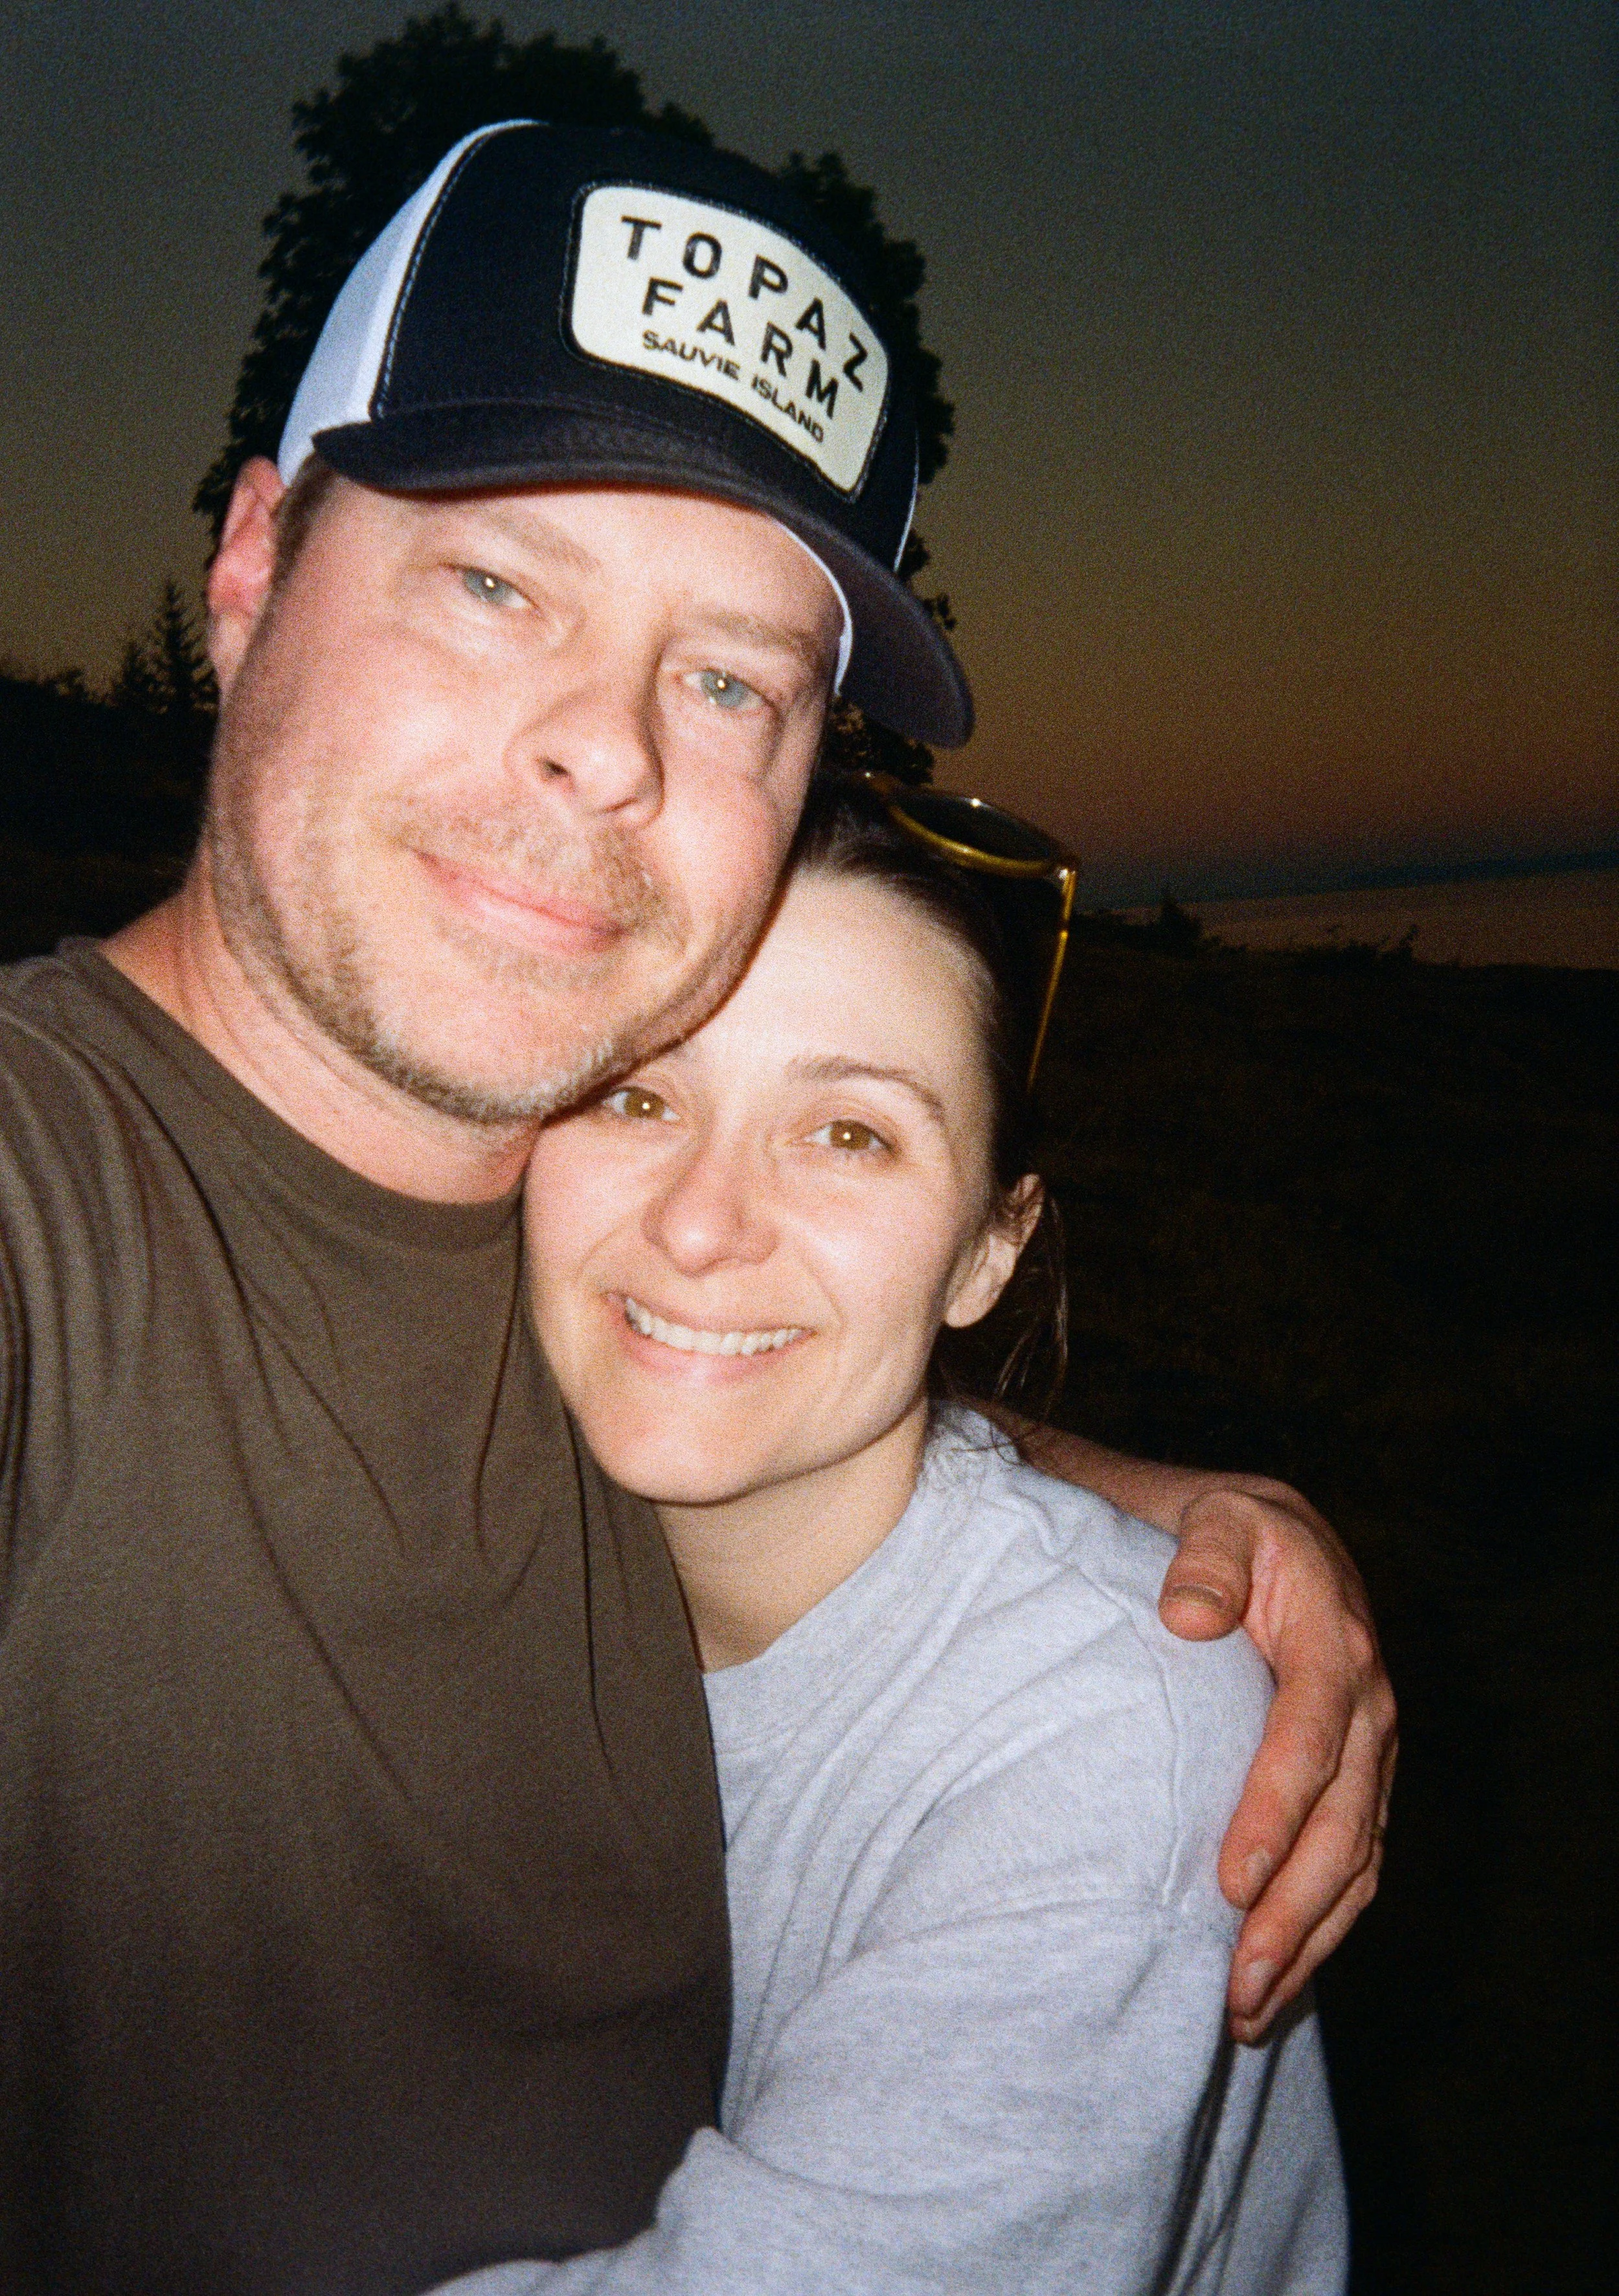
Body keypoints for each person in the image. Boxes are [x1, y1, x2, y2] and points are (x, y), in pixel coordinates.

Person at [0, 122, 1389, 2295]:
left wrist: (1151, 1533)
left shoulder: (581, 1256)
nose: (612, 748)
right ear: (256, 563)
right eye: (496, 583)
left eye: (731, 675)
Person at [438, 769, 1348, 2294]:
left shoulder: (1108, 1731)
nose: (701, 1221)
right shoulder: (453, 1518)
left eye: (848, 1136)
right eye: (637, 1094)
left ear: (989, 1247)